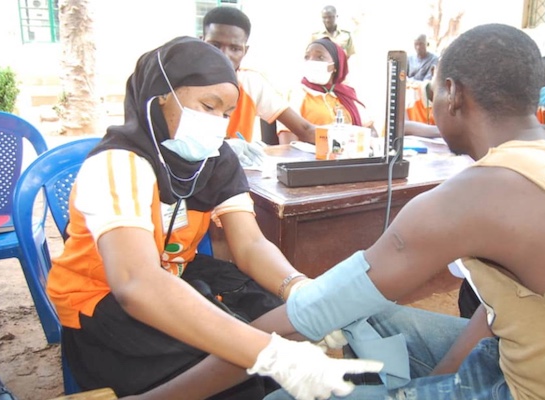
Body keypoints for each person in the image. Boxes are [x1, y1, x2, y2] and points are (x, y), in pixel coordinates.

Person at [260, 23, 545, 400]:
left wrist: (222, 355)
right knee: (369, 318)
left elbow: (315, 309)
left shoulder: (483, 191)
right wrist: (434, 384)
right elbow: (505, 306)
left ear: (453, 93)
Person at [45, 36, 381, 400]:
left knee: (280, 318)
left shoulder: (215, 160)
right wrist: (270, 354)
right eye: (208, 106)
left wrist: (299, 289)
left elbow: (250, 244)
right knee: (225, 373)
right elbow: (135, 283)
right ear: (159, 97)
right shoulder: (116, 165)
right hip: (101, 302)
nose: (217, 124)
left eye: (226, 113)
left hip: (175, 274)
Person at [202, 6, 317, 144]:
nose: (224, 55)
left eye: (235, 49)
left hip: (234, 159)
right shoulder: (183, 80)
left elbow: (305, 129)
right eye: (215, 45)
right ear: (200, 42)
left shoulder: (250, 83)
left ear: (245, 51)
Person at [281, 37, 376, 142]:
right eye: (307, 57)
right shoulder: (297, 94)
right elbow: (287, 143)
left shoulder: (347, 95)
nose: (311, 61)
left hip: (350, 151)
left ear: (335, 66)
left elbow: (371, 132)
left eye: (320, 57)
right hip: (311, 152)